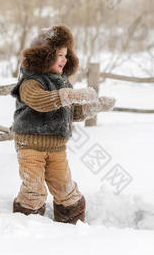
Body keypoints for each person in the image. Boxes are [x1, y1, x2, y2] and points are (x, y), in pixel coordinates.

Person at [10, 25, 115, 223]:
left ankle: (71, 226)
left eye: (66, 55)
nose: (64, 59)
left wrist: (93, 107)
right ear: (45, 55)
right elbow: (40, 101)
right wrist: (70, 95)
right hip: (30, 146)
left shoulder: (62, 82)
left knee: (65, 189)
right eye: (60, 54)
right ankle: (24, 227)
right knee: (34, 190)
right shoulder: (31, 81)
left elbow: (68, 112)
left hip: (57, 147)